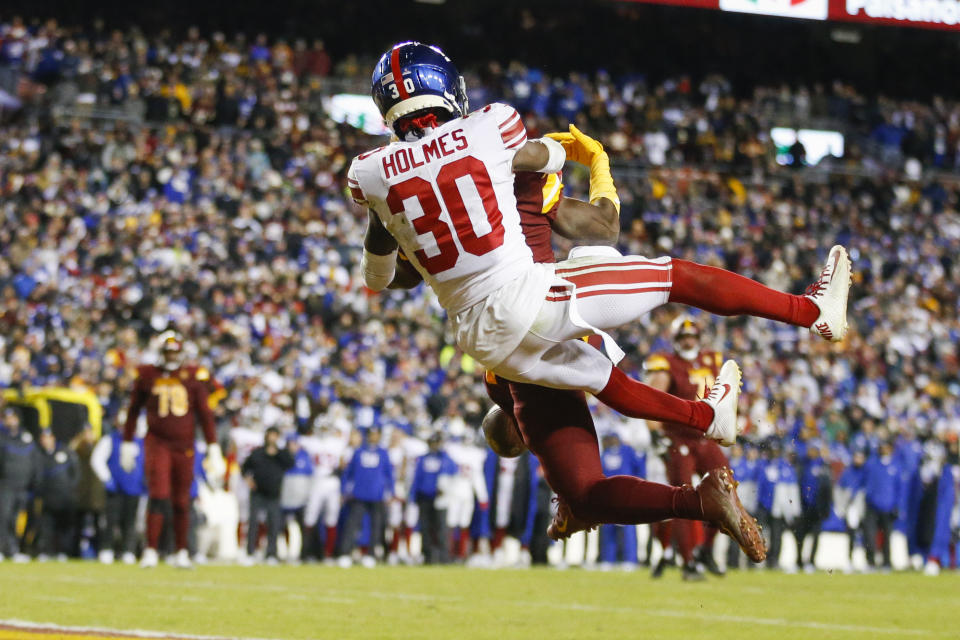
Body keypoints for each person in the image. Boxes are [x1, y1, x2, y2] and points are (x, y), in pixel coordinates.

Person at [352, 42, 851, 561]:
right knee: (671, 277)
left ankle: (701, 463)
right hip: (533, 297)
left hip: (487, 343)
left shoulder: (370, 172)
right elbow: (591, 211)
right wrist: (592, 157)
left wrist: (398, 235)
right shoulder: (491, 129)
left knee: (585, 475)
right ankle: (810, 312)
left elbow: (380, 276)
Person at [121, 331, 227, 569]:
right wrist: (127, 441)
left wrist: (213, 446)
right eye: (168, 352)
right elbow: (133, 410)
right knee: (158, 495)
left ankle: (181, 551)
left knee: (182, 499)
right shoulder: (148, 374)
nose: (171, 356)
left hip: (184, 446)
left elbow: (205, 414)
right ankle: (150, 550)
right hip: (157, 442)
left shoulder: (191, 377)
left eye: (175, 352)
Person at [644, 314, 729, 578]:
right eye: (683, 337)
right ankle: (689, 560)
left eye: (692, 336)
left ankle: (707, 548)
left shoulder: (711, 360)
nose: (689, 340)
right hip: (678, 437)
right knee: (683, 498)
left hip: (704, 437)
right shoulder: (666, 362)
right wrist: (655, 434)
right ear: (676, 339)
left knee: (725, 488)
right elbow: (652, 399)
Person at [90, 423, 146, 564]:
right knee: (110, 520)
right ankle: (106, 549)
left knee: (130, 522)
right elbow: (97, 459)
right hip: (115, 489)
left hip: (135, 488)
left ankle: (128, 551)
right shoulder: (111, 439)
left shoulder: (141, 442)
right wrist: (107, 478)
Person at [338, 427, 394, 567]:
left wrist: (391, 492)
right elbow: (348, 473)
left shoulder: (383, 453)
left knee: (376, 526)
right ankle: (346, 553)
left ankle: (371, 554)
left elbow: (389, 474)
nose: (374, 437)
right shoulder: (358, 452)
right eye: (372, 434)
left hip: (377, 495)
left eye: (376, 434)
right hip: (359, 494)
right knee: (352, 525)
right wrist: (343, 491)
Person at [240, 427, 295, 565]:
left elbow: (291, 463)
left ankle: (271, 554)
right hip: (257, 492)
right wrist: (248, 480)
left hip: (274, 494)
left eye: (275, 435)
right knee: (253, 523)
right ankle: (250, 552)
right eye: (270, 435)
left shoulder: (282, 454)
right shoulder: (258, 452)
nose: (272, 438)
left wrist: (280, 453)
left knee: (274, 524)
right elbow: (245, 468)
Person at [598, 432, 643, 571]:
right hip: (608, 496)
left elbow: (640, 468)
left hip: (626, 495)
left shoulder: (628, 451)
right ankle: (608, 559)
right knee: (608, 528)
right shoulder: (603, 455)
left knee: (628, 529)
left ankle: (630, 559)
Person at [410, 432, 457, 564]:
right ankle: (428, 556)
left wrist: (446, 491)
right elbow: (417, 478)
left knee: (441, 527)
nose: (434, 446)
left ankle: (444, 556)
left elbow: (452, 475)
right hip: (424, 497)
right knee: (425, 528)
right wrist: (414, 495)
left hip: (440, 498)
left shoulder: (446, 458)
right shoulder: (423, 459)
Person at [0, 408, 40, 562]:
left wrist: (35, 482)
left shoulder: (26, 438)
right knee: (4, 517)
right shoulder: (2, 438)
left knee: (17, 520)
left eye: (13, 418)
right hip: (5, 485)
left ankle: (13, 549)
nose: (11, 421)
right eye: (7, 418)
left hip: (23, 487)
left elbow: (35, 462)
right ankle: (2, 549)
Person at [35, 430, 79, 560]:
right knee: (47, 526)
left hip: (65, 497)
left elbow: (75, 473)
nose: (45, 441)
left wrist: (70, 489)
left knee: (64, 526)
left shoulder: (66, 452)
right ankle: (46, 552)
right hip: (46, 496)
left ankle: (63, 552)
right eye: (43, 438)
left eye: (48, 437)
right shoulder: (38, 454)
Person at [863, 440, 900, 571]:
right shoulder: (872, 464)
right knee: (870, 535)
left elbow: (899, 488)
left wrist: (897, 505)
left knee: (887, 537)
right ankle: (871, 562)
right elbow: (866, 484)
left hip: (888, 507)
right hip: (872, 506)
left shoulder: (895, 466)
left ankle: (886, 563)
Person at [797, 441, 832, 572]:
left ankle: (811, 560)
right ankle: (799, 560)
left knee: (815, 536)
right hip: (804, 507)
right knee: (800, 535)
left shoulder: (824, 467)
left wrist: (826, 508)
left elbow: (828, 489)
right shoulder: (803, 464)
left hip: (817, 508)